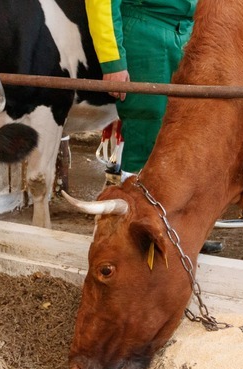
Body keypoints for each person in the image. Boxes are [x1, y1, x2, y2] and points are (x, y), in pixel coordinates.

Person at [85, 0, 223, 254]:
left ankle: (181, 231)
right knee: (146, 128)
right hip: (144, 30)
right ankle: (134, 231)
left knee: (190, 133)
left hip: (191, 32)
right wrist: (113, 59)